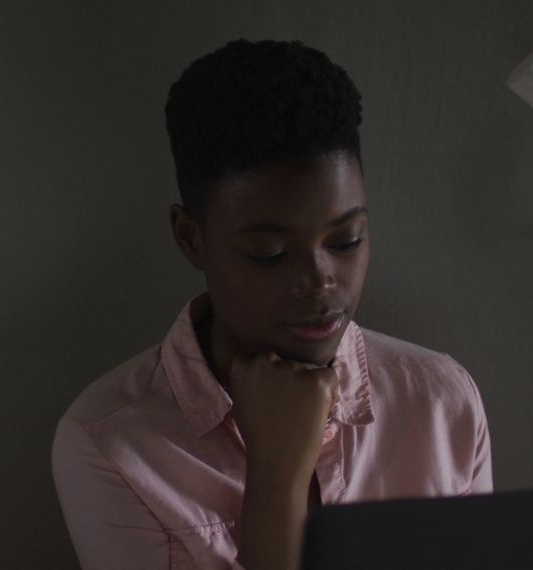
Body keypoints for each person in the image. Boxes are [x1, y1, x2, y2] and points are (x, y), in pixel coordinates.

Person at [52, 38, 493, 570]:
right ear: (191, 238)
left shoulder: (441, 401)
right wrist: (278, 475)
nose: (318, 281)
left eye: (346, 240)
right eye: (269, 254)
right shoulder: (112, 443)